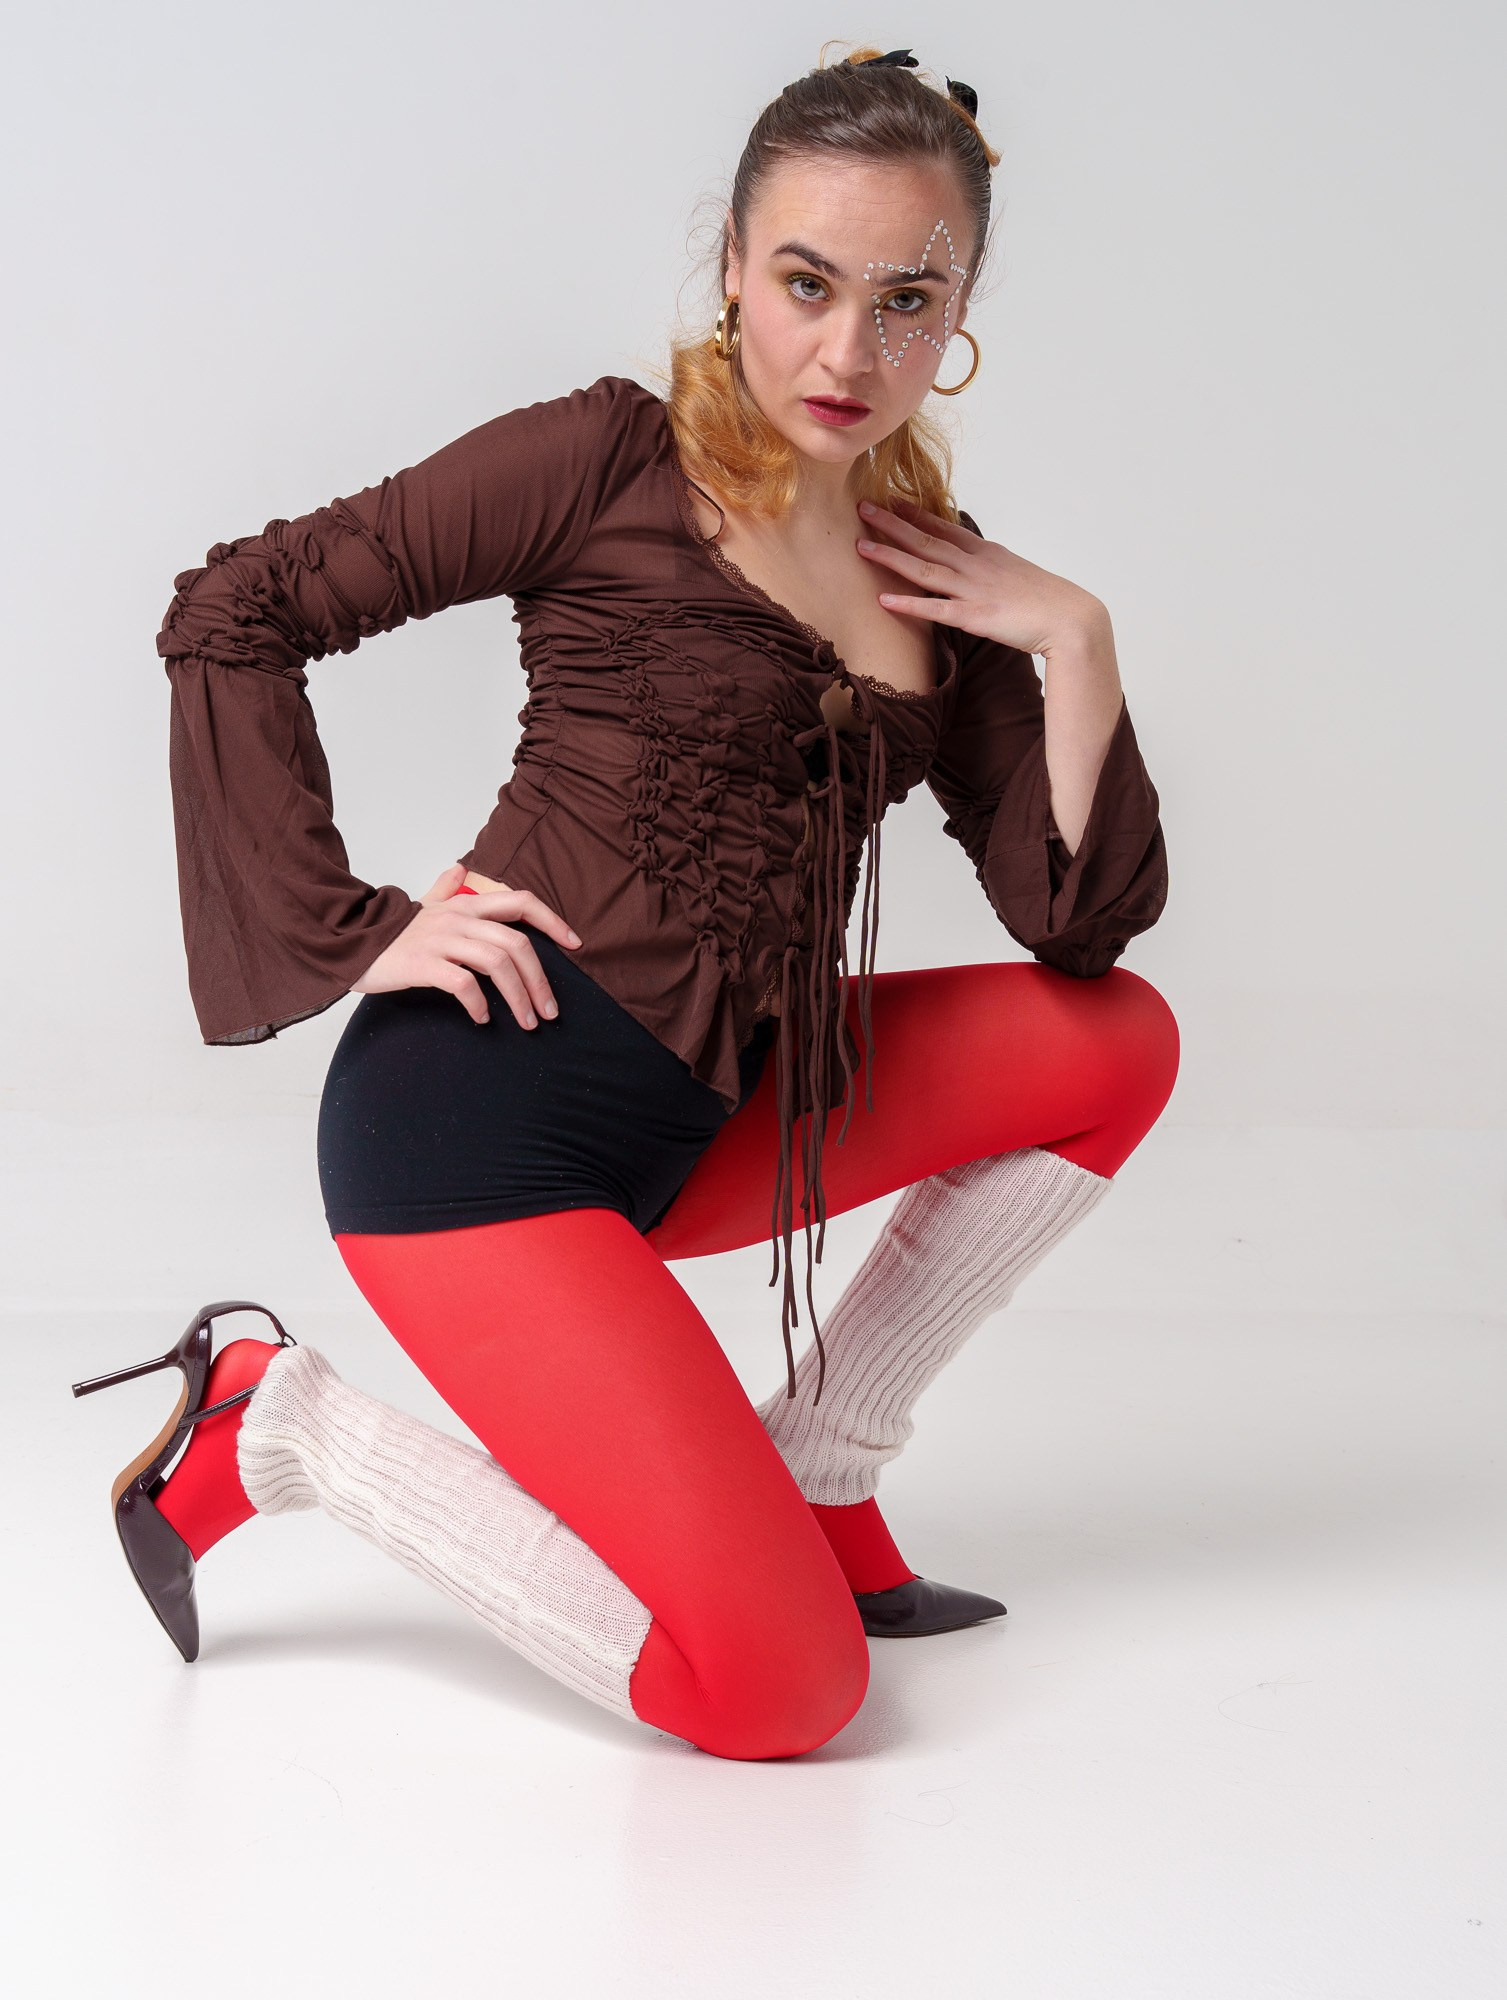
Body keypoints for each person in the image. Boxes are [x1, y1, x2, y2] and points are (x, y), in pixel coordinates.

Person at [77, 46, 1176, 1762]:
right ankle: (278, 1429)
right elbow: (239, 611)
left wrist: (1075, 639)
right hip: (480, 1140)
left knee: (1117, 1043)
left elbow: (1073, 922)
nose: (849, 353)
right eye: (807, 283)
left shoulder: (934, 567)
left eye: (905, 301)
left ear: (958, 312)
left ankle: (824, 1463)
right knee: (784, 1692)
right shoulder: (606, 457)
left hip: (724, 1105)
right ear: (730, 265)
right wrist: (359, 925)